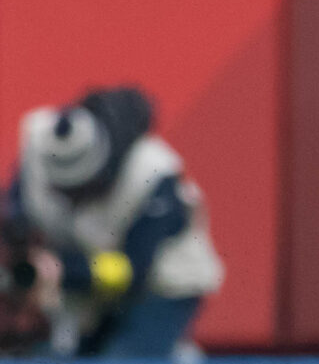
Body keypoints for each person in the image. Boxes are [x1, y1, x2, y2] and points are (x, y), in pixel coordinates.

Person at [4, 87, 224, 357]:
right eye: (59, 190)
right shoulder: (39, 145)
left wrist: (63, 268)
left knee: (128, 357)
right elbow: (15, 217)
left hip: (160, 282)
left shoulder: (154, 173)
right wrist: (22, 260)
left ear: (100, 174)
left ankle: (171, 353)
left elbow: (132, 270)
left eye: (76, 191)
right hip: (82, 282)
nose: (70, 201)